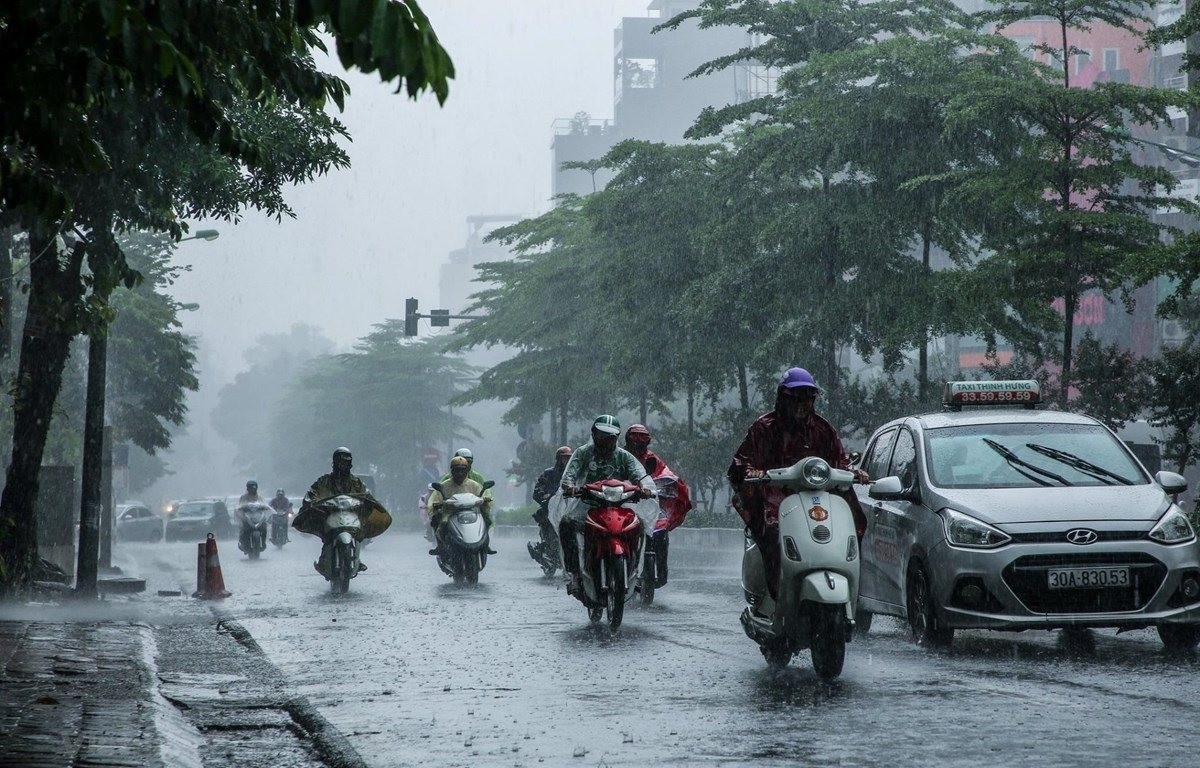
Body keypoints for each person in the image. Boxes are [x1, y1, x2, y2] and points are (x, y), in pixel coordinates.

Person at [727, 367, 869, 601]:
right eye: (796, 398)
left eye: (807, 398)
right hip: (776, 499)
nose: (801, 404)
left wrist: (854, 473)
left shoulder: (823, 429)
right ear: (784, 398)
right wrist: (754, 472)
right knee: (771, 531)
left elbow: (840, 462)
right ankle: (776, 593)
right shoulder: (764, 428)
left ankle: (853, 594)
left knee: (856, 522)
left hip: (818, 499)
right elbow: (740, 464)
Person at [558, 415, 656, 594]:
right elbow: (569, 475)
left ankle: (635, 570)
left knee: (641, 526)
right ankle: (574, 574)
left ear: (617, 437)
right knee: (566, 524)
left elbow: (639, 475)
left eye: (611, 436)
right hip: (587, 505)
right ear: (594, 434)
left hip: (620, 506)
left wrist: (645, 489)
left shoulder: (624, 457)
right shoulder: (583, 453)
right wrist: (569, 487)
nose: (606, 440)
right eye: (602, 435)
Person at [624, 424, 694, 586]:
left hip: (648, 506)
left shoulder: (652, 459)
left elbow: (665, 474)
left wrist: (669, 484)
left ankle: (662, 570)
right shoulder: (620, 456)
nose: (638, 446)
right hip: (623, 505)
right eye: (635, 442)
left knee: (660, 531)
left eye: (642, 443)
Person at [299, 447, 375, 576]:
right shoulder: (324, 480)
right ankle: (324, 560)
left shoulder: (356, 482)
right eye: (340, 462)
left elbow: (366, 494)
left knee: (359, 530)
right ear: (334, 462)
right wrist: (312, 501)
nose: (343, 465)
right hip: (329, 515)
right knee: (326, 536)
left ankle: (357, 559)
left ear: (350, 464)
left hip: (351, 515)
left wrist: (369, 500)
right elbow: (312, 492)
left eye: (346, 462)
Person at [428, 456, 495, 555]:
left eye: (463, 470)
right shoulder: (445, 485)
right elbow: (434, 500)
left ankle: (486, 545)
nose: (460, 473)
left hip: (472, 512)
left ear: (467, 470)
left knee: (487, 521)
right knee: (442, 523)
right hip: (450, 514)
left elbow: (483, 496)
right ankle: (440, 546)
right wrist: (437, 505)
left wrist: (485, 500)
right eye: (457, 470)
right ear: (452, 471)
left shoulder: (474, 485)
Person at [528, 446, 573, 564]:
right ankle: (547, 549)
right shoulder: (549, 473)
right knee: (547, 523)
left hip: (568, 508)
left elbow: (581, 485)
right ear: (558, 459)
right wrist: (544, 495)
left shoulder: (573, 474)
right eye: (564, 458)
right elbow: (537, 490)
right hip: (550, 509)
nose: (566, 461)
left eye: (569, 458)